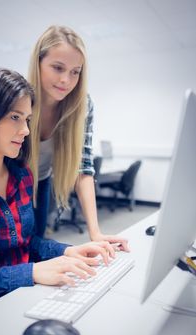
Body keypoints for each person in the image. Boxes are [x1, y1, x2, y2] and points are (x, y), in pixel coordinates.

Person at [0, 68, 121, 316]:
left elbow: (26, 243)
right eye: (15, 117)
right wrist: (29, 273)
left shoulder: (22, 175)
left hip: (24, 298)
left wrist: (66, 251)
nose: (26, 131)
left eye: (27, 119)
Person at [28, 25, 129, 247]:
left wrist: (96, 232)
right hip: (10, 182)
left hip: (43, 181)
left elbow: (82, 168)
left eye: (75, 71)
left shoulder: (82, 105)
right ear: (38, 63)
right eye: (57, 67)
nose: (66, 79)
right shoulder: (19, 97)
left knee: (35, 242)